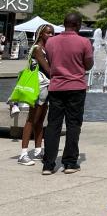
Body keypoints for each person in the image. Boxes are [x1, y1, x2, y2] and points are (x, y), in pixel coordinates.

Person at [40, 13, 93, 175]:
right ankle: (70, 163)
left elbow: (50, 62)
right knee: (73, 124)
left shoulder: (51, 42)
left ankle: (48, 165)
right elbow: (89, 65)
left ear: (64, 24)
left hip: (56, 87)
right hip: (76, 87)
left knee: (53, 125)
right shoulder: (84, 42)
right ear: (77, 25)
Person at [15, 25, 53, 165]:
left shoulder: (45, 49)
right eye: (48, 33)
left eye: (52, 33)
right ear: (41, 33)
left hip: (45, 87)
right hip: (38, 87)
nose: (51, 35)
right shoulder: (37, 49)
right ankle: (23, 154)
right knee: (32, 119)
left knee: (40, 121)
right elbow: (48, 69)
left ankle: (38, 150)